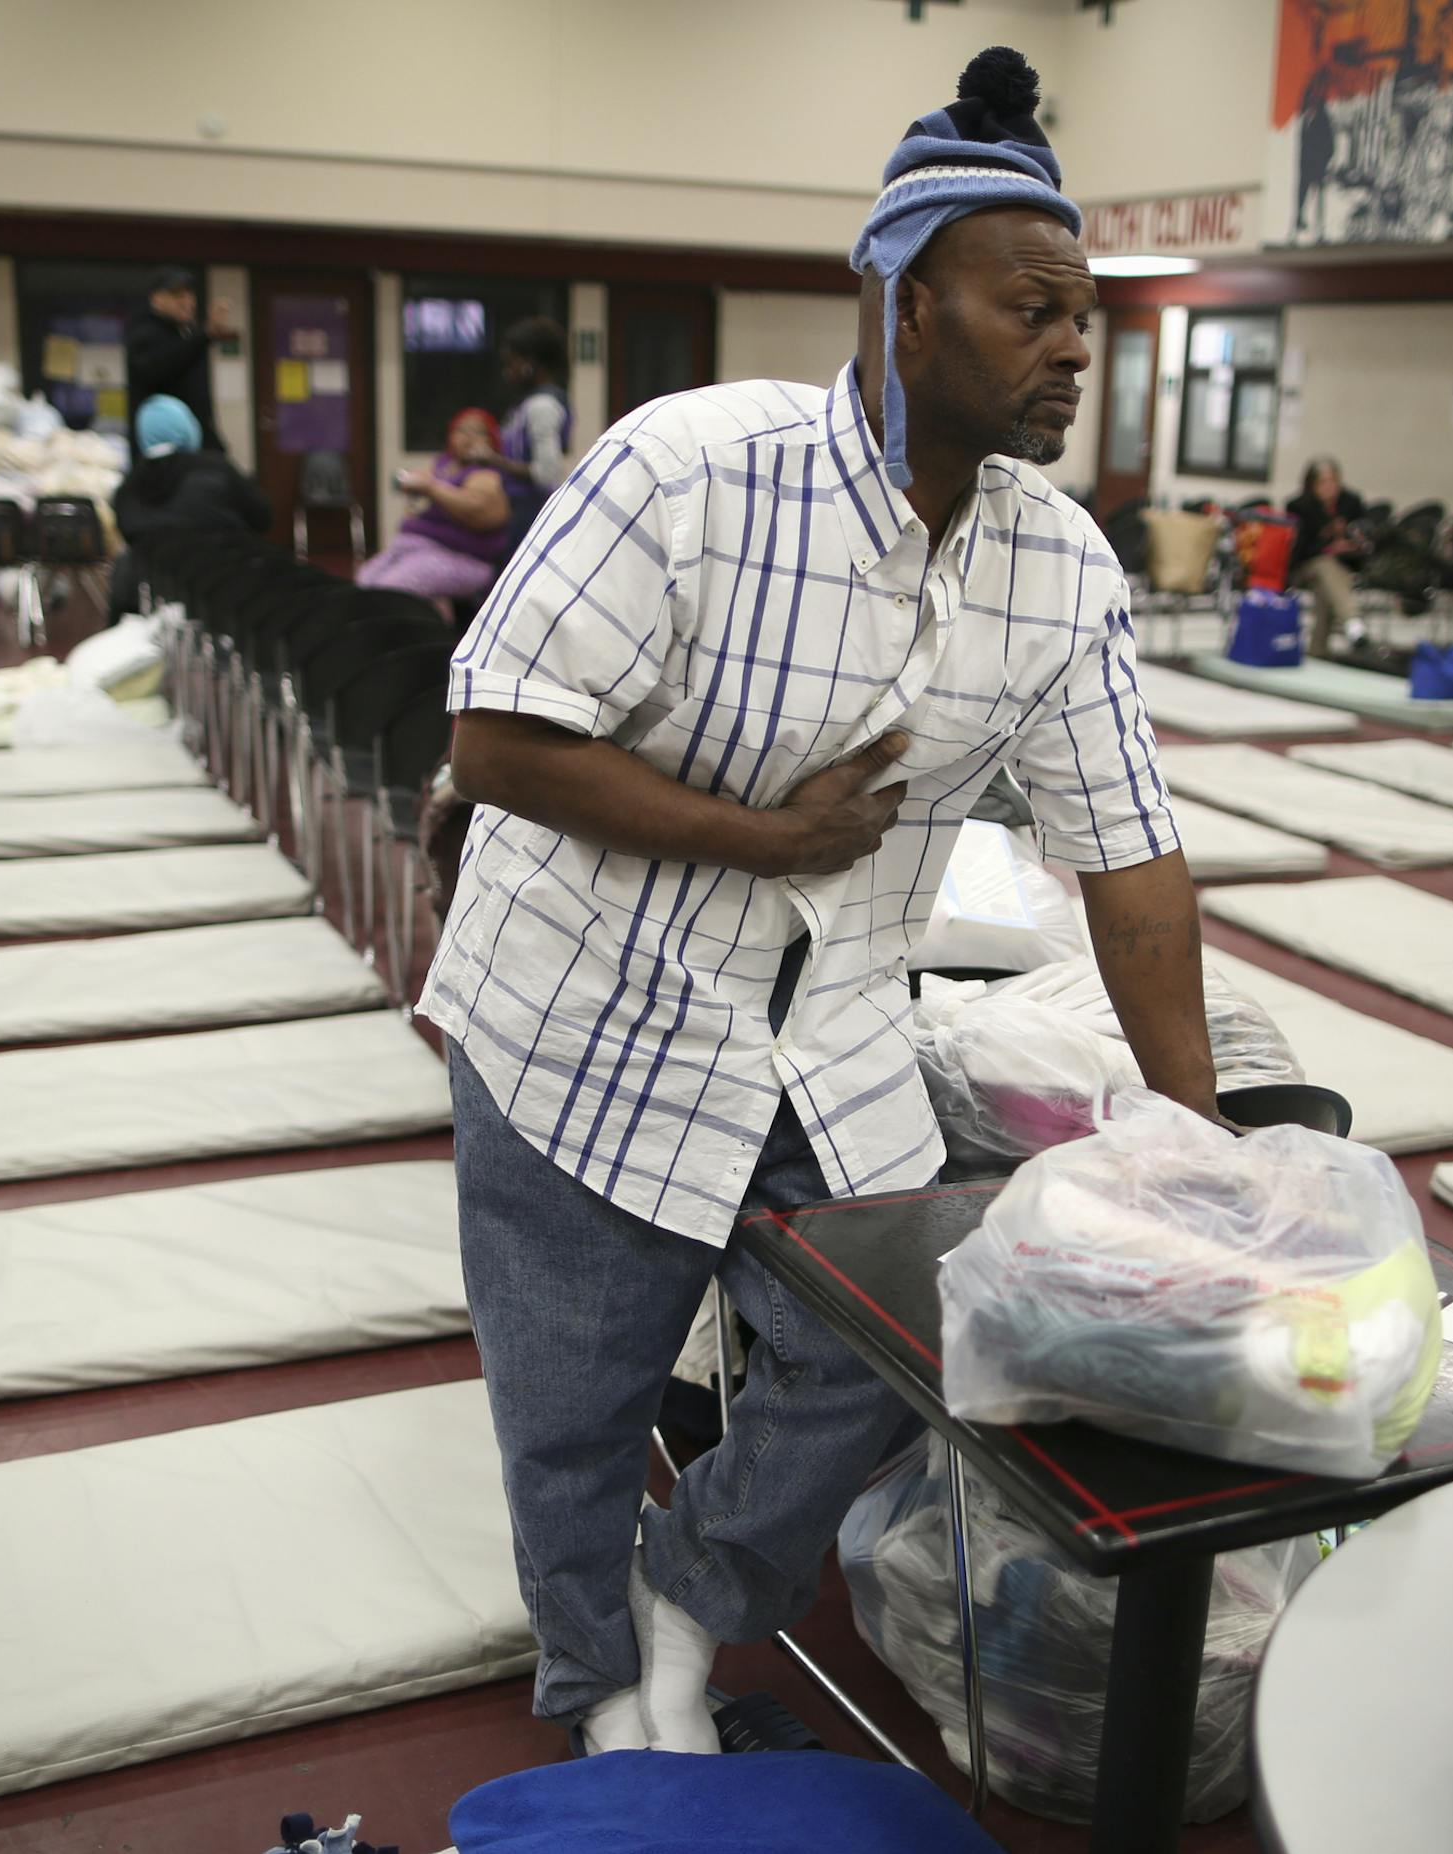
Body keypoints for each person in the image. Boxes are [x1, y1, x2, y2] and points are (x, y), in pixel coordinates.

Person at [419, 46, 1218, 1760]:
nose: (1077, 344)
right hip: (578, 1004)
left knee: (899, 1336)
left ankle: (691, 1596)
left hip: (826, 1021)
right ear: (905, 308)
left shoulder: (1057, 563)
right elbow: (488, 739)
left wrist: (1200, 1133)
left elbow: (1133, 858)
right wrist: (748, 833)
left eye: (1085, 316)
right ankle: (601, 1695)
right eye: (1034, 309)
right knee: (574, 1407)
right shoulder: (693, 470)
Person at [106, 395, 270, 616]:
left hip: (151, 601)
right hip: (225, 594)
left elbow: (128, 534)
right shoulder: (216, 469)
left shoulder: (126, 490)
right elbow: (262, 516)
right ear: (187, 427)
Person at [357, 408, 511, 610]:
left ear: (492, 440)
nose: (468, 437)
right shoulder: (444, 464)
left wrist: (431, 488)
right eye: (462, 430)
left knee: (390, 591)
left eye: (478, 432)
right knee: (364, 581)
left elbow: (479, 510)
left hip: (460, 557)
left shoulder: (486, 474)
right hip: (415, 548)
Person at [473, 316, 572, 544]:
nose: (508, 372)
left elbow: (546, 473)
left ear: (531, 364)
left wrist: (492, 460)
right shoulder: (527, 403)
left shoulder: (543, 406)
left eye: (512, 363)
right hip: (515, 511)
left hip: (530, 515)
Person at [125, 266, 237, 452]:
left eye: (189, 295)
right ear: (156, 299)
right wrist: (205, 334)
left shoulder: (187, 333)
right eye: (178, 296)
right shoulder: (144, 333)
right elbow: (161, 368)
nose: (188, 302)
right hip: (165, 451)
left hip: (198, 442)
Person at [1286, 454, 1368, 654]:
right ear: (1312, 485)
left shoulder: (1351, 502)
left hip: (1340, 569)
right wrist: (1329, 547)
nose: (1329, 487)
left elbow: (1365, 531)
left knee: (1326, 587)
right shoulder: (1299, 507)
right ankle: (1352, 619)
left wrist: (1351, 544)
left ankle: (1318, 651)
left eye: (1333, 481)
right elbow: (1298, 550)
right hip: (1305, 567)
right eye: (1323, 482)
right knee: (1324, 565)